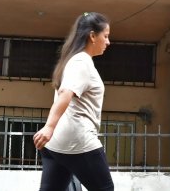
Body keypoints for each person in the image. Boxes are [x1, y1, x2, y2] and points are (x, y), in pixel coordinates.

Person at [33, 11, 113, 191]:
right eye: (105, 36)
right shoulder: (81, 62)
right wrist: (49, 126)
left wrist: (51, 129)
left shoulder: (72, 60)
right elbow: (66, 94)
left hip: (55, 145)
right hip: (78, 141)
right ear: (92, 36)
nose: (108, 42)